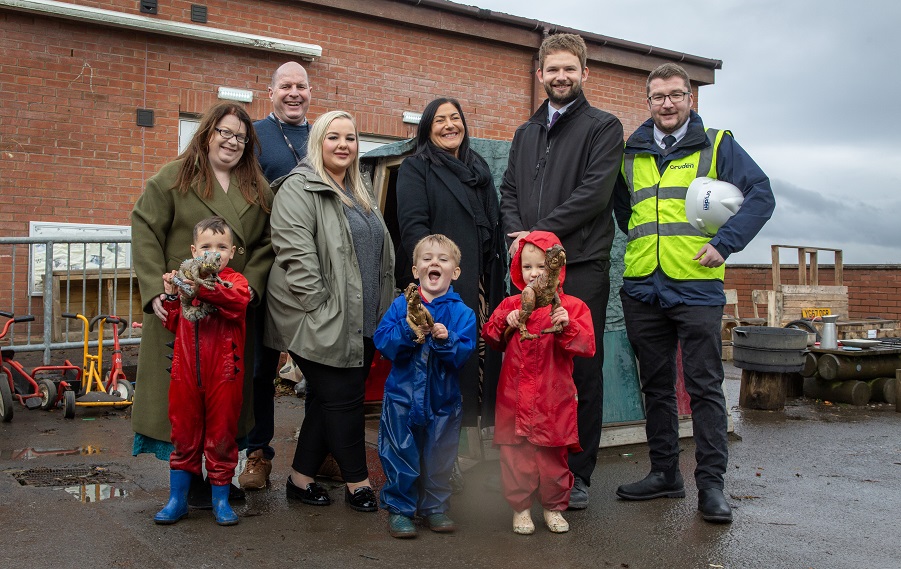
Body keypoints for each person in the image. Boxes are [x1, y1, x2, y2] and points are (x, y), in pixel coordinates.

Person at [612, 63, 775, 523]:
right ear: (648, 101)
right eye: (658, 96)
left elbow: (760, 194)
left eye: (676, 95)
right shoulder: (632, 152)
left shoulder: (718, 144)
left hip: (697, 286)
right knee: (656, 387)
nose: (667, 103)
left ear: (690, 99)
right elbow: (627, 213)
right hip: (643, 284)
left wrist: (724, 243)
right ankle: (665, 474)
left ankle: (711, 487)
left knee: (704, 387)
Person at [498, 33, 624, 509]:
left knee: (578, 371)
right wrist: (520, 238)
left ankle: (578, 472)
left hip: (581, 267)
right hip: (530, 270)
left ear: (585, 73)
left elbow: (594, 194)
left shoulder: (604, 127)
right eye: (553, 69)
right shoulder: (526, 132)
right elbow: (509, 190)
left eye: (570, 69)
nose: (561, 77)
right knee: (529, 368)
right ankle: (529, 471)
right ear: (540, 75)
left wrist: (540, 237)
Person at [131, 101, 274, 505]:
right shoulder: (173, 178)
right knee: (181, 400)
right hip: (182, 311)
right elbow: (144, 228)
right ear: (208, 133)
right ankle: (188, 478)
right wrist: (154, 289)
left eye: (241, 137)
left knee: (225, 402)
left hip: (229, 314)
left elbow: (266, 245)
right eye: (225, 132)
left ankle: (219, 477)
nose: (232, 141)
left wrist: (250, 290)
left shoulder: (257, 187)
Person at [265, 110, 394, 512]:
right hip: (321, 317)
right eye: (333, 137)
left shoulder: (360, 190)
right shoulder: (298, 188)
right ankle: (358, 483)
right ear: (317, 142)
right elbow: (294, 252)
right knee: (344, 400)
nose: (343, 145)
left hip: (363, 318)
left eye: (351, 138)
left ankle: (300, 481)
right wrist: (320, 307)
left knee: (326, 399)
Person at [395, 97, 506, 433]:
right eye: (440, 120)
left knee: (479, 364)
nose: (449, 125)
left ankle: (468, 450)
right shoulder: (416, 168)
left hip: (482, 283)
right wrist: (433, 278)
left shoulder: (479, 169)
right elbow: (414, 227)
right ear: (428, 128)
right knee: (442, 369)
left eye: (455, 118)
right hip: (443, 286)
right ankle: (440, 453)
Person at [482, 231, 595, 535]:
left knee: (553, 462)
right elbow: (491, 339)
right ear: (518, 269)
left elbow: (587, 346)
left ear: (556, 269)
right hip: (516, 399)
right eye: (527, 266)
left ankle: (553, 507)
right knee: (516, 459)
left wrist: (566, 326)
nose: (534, 273)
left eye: (542, 266)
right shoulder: (511, 304)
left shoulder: (571, 307)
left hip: (552, 400)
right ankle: (520, 509)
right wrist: (503, 323)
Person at [239, 61, 313, 491]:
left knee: (320, 367)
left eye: (300, 86)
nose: (293, 93)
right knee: (259, 370)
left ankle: (319, 453)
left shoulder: (322, 135)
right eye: (285, 86)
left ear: (309, 91)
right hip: (266, 266)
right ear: (271, 92)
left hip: (308, 269)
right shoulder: (254, 135)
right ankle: (257, 455)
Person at [374, 234, 477, 539]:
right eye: (427, 259)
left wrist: (446, 339)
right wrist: (408, 329)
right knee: (400, 454)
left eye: (443, 259)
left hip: (442, 401)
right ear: (416, 269)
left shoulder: (463, 313)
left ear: (454, 272)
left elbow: (463, 354)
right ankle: (401, 510)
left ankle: (436, 508)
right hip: (402, 399)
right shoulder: (399, 306)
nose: (435, 263)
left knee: (440, 455)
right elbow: (383, 342)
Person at [154, 217, 250, 526]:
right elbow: (173, 321)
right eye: (206, 247)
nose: (214, 253)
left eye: (221, 247)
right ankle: (177, 500)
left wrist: (199, 289)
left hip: (224, 373)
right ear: (194, 250)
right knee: (183, 435)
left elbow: (236, 303)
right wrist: (171, 294)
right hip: (184, 372)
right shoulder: (187, 281)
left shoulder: (235, 281)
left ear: (232, 252)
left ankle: (220, 501)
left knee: (222, 436)